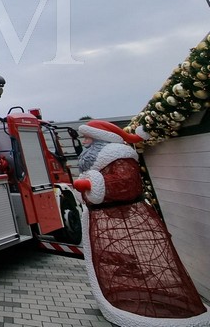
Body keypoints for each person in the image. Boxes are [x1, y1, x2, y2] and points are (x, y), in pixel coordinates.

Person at [73, 120, 209, 326]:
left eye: (88, 137)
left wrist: (92, 184)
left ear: (102, 139)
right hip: (101, 216)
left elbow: (127, 183)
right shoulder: (101, 161)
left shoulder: (119, 156)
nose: (85, 141)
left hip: (119, 212)